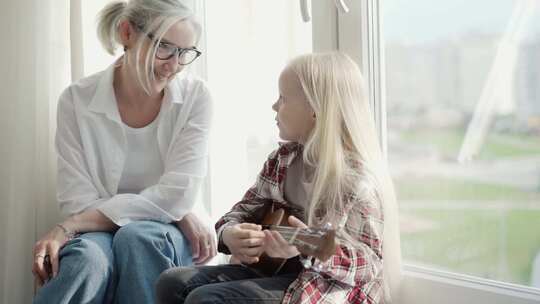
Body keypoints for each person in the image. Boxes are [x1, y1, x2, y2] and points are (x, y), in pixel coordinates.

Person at [155, 52, 401, 304]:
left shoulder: (355, 180)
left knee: (208, 299)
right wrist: (229, 234)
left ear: (315, 111)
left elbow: (370, 263)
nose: (274, 106)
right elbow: (239, 213)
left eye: (282, 98)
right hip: (275, 272)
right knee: (172, 282)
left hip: (322, 288)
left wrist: (309, 244)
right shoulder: (282, 160)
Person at [31, 1, 216, 303]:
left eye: (185, 53)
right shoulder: (76, 100)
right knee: (86, 261)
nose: (174, 64)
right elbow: (77, 198)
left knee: (138, 239)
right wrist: (170, 208)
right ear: (127, 32)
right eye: (164, 47)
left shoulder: (197, 97)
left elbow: (178, 195)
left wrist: (71, 225)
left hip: (161, 232)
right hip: (97, 232)